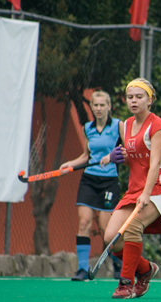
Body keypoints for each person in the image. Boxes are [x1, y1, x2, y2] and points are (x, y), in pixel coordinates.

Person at [103, 78, 161, 299]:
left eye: (139, 97)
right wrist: (119, 158)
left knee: (133, 226)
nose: (134, 101)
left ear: (150, 100)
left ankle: (125, 284)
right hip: (135, 187)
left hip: (158, 186)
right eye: (130, 97)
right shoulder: (126, 125)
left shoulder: (158, 126)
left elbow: (155, 162)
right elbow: (135, 158)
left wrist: (147, 193)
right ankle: (146, 270)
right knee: (111, 237)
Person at [60, 90, 123, 281]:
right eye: (95, 105)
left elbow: (128, 147)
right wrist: (71, 163)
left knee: (107, 230)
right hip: (89, 180)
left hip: (109, 181)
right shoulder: (88, 128)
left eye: (102, 105)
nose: (98, 108)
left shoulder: (118, 126)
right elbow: (86, 156)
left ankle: (119, 266)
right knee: (84, 222)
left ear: (109, 107)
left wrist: (112, 156)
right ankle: (82, 270)